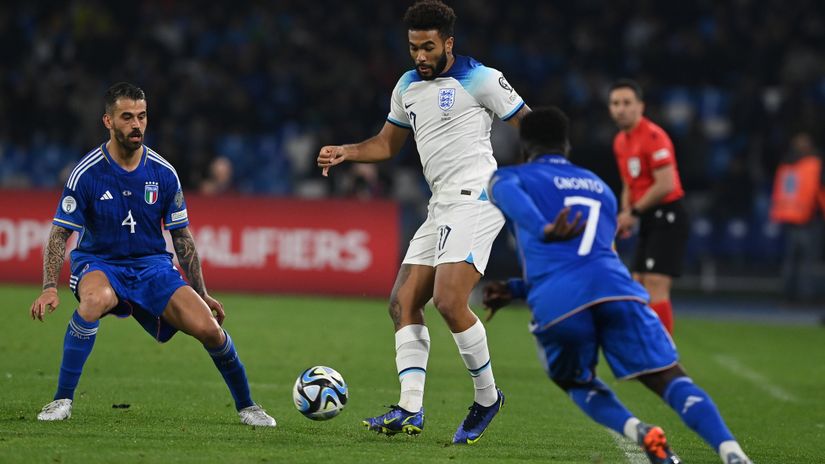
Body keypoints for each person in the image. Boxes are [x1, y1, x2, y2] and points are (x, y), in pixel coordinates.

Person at [484, 107, 752, 464]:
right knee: (669, 377)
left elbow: (519, 207)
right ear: (566, 146)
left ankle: (639, 431)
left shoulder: (508, 179)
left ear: (524, 147)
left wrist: (544, 230)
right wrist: (517, 288)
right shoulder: (601, 189)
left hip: (561, 300)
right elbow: (592, 254)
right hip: (617, 289)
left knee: (576, 381)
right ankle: (732, 452)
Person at [316, 0, 529, 444]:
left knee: (450, 302)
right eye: (414, 47)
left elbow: (531, 125)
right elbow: (387, 143)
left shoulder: (482, 78)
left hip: (478, 198)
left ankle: (487, 397)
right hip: (441, 205)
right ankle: (410, 410)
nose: (420, 56)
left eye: (429, 47)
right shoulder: (407, 86)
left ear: (448, 43)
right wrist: (348, 151)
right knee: (403, 302)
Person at [29, 82, 276, 427]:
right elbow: (60, 233)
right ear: (108, 121)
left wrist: (202, 292)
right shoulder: (87, 173)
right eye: (127, 117)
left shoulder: (163, 173)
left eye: (142, 116)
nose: (136, 124)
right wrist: (49, 286)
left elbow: (182, 238)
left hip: (152, 267)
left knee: (209, 328)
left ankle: (248, 405)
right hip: (100, 262)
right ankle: (61, 400)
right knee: (94, 300)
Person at [608, 79, 688, 334]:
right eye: (615, 103)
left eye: (627, 103)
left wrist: (634, 212)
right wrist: (625, 214)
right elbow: (628, 184)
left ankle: (664, 357)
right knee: (638, 283)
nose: (621, 109)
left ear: (641, 106)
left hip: (668, 215)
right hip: (647, 216)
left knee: (655, 283)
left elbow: (666, 184)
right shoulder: (621, 141)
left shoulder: (654, 137)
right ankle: (646, 347)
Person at [769, 132, 824, 303]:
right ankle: (803, 297)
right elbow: (820, 191)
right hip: (809, 218)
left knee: (792, 261)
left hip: (791, 216)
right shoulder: (814, 164)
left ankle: (789, 296)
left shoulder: (786, 164)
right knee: (806, 262)